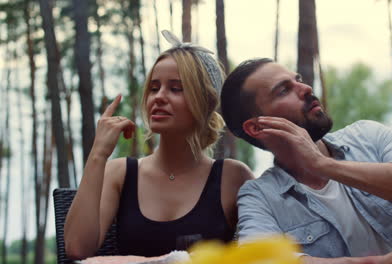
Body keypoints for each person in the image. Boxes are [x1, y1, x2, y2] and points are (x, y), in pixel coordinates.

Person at [220, 58, 392, 264]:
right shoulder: (259, 196)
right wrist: (384, 262)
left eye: (299, 79)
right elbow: (260, 260)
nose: (305, 88)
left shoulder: (368, 136)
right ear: (256, 127)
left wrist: (324, 165)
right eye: (283, 90)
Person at [64, 31, 253, 260]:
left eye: (176, 88)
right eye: (154, 88)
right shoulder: (120, 173)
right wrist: (98, 154)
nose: (159, 97)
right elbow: (77, 249)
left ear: (205, 101)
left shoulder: (233, 177)